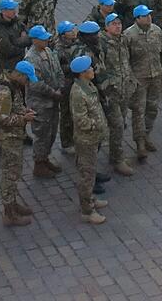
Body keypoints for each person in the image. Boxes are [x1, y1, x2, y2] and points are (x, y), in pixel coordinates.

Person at [73, 21, 134, 177]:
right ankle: (88, 171)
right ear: (87, 36)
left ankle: (110, 160)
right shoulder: (83, 53)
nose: (97, 37)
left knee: (114, 126)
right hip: (93, 97)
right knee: (100, 132)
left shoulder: (94, 48)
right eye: (93, 35)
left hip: (105, 93)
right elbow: (87, 77)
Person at [0, 61, 37, 227]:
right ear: (19, 75)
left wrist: (25, 112)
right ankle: (9, 213)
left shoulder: (14, 85)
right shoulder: (4, 91)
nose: (28, 83)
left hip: (15, 136)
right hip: (8, 137)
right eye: (27, 79)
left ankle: (13, 204)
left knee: (15, 172)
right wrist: (23, 119)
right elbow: (2, 118)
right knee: (9, 174)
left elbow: (15, 107)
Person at [69, 55, 110, 224]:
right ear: (82, 73)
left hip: (93, 138)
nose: (93, 70)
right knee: (86, 175)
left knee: (90, 173)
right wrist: (97, 124)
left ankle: (90, 200)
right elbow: (81, 120)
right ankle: (87, 210)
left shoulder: (88, 85)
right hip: (86, 140)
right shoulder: (78, 93)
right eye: (90, 69)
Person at [125, 5, 162, 154]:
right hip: (140, 80)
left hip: (155, 76)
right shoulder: (129, 35)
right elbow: (125, 61)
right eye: (145, 16)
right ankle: (140, 143)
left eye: (149, 15)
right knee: (139, 110)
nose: (149, 18)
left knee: (152, 109)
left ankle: (146, 134)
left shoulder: (156, 31)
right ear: (137, 19)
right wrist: (132, 80)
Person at [24, 25, 65, 179]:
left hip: (53, 101)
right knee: (41, 134)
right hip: (40, 104)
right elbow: (35, 84)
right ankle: (38, 164)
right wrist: (53, 93)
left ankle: (44, 158)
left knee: (52, 132)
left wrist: (60, 87)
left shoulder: (48, 51)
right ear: (35, 40)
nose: (47, 40)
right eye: (43, 38)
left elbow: (58, 71)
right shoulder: (31, 59)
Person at [100, 13, 141, 158]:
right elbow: (100, 70)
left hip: (124, 89)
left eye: (119, 23)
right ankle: (116, 157)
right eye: (113, 24)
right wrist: (107, 88)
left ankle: (115, 149)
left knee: (121, 121)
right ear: (106, 27)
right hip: (111, 92)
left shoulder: (123, 39)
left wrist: (131, 80)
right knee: (117, 124)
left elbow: (126, 61)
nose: (117, 26)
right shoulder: (102, 44)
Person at [54, 21, 79, 154]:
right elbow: (57, 69)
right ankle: (66, 142)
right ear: (64, 34)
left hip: (76, 82)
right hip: (66, 85)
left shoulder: (75, 43)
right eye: (71, 30)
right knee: (66, 114)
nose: (74, 31)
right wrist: (73, 67)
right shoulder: (59, 49)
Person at [0, 0, 31, 74]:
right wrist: (22, 42)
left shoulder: (17, 21)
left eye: (14, 8)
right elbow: (9, 51)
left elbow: (29, 36)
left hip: (21, 64)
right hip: (8, 69)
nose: (14, 11)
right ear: (3, 11)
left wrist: (16, 42)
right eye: (11, 9)